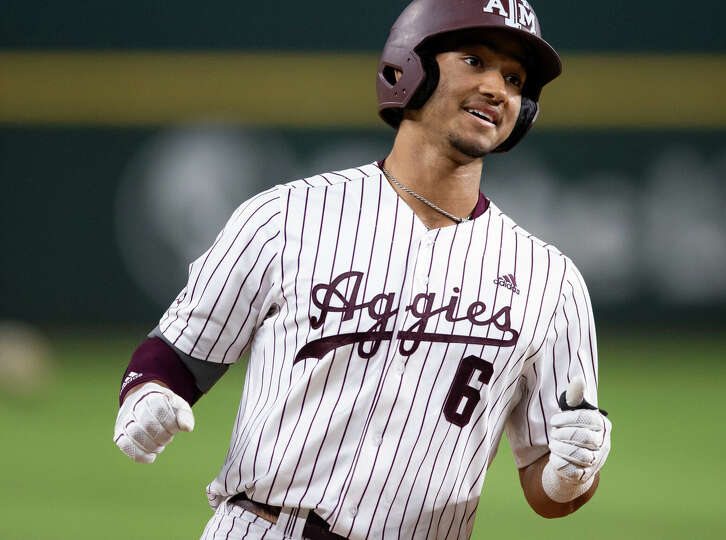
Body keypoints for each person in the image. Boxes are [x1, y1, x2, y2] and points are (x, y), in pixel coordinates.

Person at [113, 1, 612, 538]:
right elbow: (177, 356)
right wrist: (148, 396)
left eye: (514, 78)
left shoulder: (550, 280)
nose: (497, 87)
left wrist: (569, 476)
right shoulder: (285, 218)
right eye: (474, 60)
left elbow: (547, 487)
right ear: (411, 68)